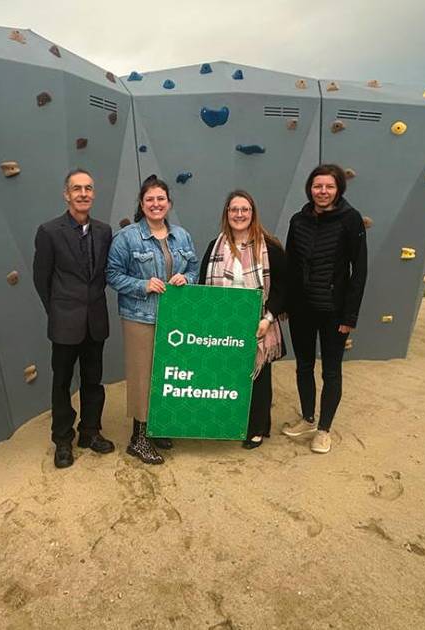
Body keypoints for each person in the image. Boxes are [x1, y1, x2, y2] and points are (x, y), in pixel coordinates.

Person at [106, 175, 198, 464]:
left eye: (161, 199)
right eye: (150, 200)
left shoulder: (182, 236)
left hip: (174, 318)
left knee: (166, 373)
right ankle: (139, 438)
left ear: (169, 203)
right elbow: (112, 275)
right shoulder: (127, 237)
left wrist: (188, 278)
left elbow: (194, 268)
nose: (156, 204)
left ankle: (157, 428)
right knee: (143, 376)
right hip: (140, 317)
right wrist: (142, 285)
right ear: (142, 204)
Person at [282, 164, 368, 454]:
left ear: (338, 189)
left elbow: (360, 270)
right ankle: (307, 418)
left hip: (335, 311)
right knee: (304, 366)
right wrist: (285, 304)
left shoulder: (351, 220)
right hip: (302, 308)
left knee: (331, 371)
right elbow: (290, 266)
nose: (322, 192)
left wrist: (350, 315)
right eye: (318, 186)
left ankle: (324, 429)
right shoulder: (298, 220)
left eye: (329, 187)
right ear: (310, 188)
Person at [33, 168, 115, 469]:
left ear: (93, 194)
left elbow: (106, 273)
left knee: (94, 381)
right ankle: (63, 440)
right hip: (64, 321)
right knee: (62, 383)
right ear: (66, 194)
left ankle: (90, 432)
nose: (83, 194)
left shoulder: (105, 231)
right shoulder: (49, 231)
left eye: (88, 188)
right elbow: (41, 279)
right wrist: (58, 311)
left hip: (96, 320)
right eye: (77, 188)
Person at [198, 191, 287, 449]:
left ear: (252, 213)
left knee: (257, 375)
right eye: (234, 209)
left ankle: (256, 428)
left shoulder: (270, 247)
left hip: (259, 322)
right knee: (226, 375)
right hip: (223, 323)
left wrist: (268, 318)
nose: (239, 214)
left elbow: (283, 287)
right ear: (227, 213)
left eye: (244, 209)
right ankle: (227, 421)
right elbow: (204, 284)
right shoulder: (215, 246)